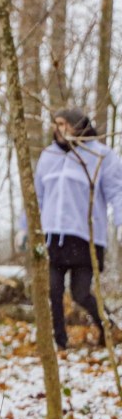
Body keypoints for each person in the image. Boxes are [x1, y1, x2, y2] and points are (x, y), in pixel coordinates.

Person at [33, 107, 122, 349]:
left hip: (86, 237)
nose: (58, 129)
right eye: (55, 124)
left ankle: (109, 327)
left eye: (63, 124)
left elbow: (117, 192)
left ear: (78, 126)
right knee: (53, 291)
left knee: (80, 293)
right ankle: (59, 341)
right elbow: (37, 197)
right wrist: (25, 228)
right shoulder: (48, 156)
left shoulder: (101, 155)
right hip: (53, 237)